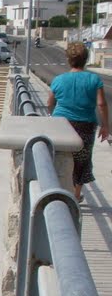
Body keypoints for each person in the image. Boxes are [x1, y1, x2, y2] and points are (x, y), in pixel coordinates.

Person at [47, 41, 110, 203]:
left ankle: (59, 190)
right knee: (82, 159)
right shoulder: (94, 80)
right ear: (86, 59)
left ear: (69, 59)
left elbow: (50, 103)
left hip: (62, 123)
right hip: (85, 125)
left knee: (60, 156)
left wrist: (52, 116)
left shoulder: (59, 80)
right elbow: (101, 104)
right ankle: (75, 194)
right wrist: (105, 125)